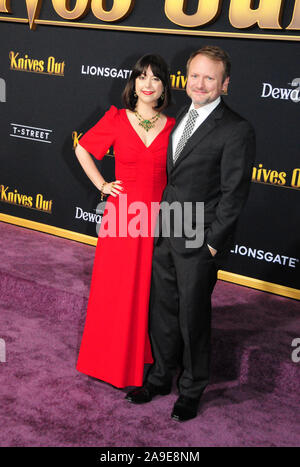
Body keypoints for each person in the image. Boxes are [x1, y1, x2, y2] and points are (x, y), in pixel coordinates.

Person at [126, 46, 256, 421]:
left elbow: (235, 194)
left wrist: (213, 243)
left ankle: (192, 388)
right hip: (167, 230)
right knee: (163, 311)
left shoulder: (236, 128)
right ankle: (160, 378)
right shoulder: (182, 114)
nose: (200, 83)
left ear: (225, 84)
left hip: (200, 240)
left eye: (210, 78)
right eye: (194, 75)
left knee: (192, 317)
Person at [75, 54, 175, 388]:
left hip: (160, 221)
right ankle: (109, 361)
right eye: (142, 77)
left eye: (156, 78)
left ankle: (146, 357)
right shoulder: (118, 119)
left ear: (164, 86)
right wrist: (102, 185)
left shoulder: (176, 127)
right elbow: (82, 149)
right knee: (116, 291)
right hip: (122, 219)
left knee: (151, 294)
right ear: (133, 83)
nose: (148, 84)